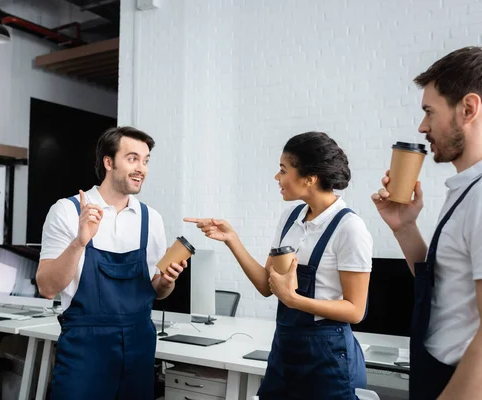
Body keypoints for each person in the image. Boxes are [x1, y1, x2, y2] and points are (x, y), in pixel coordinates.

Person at [186, 131, 372, 400]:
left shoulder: (350, 228)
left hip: (327, 357)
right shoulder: (291, 218)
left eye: (283, 170)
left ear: (309, 178)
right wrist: (231, 239)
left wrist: (293, 300)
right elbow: (265, 285)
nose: (277, 178)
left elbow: (355, 310)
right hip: (285, 349)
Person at [37, 126, 187, 400]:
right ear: (108, 162)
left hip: (139, 346)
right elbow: (47, 287)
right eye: (132, 158)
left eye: (146, 160)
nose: (141, 168)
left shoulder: (151, 219)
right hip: (85, 350)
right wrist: (79, 242)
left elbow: (157, 291)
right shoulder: (67, 212)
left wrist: (166, 281)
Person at [372, 46, 482, 400]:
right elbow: (445, 282)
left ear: (468, 109)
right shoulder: (466, 189)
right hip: (434, 372)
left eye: (429, 112)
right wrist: (404, 226)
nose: (422, 127)